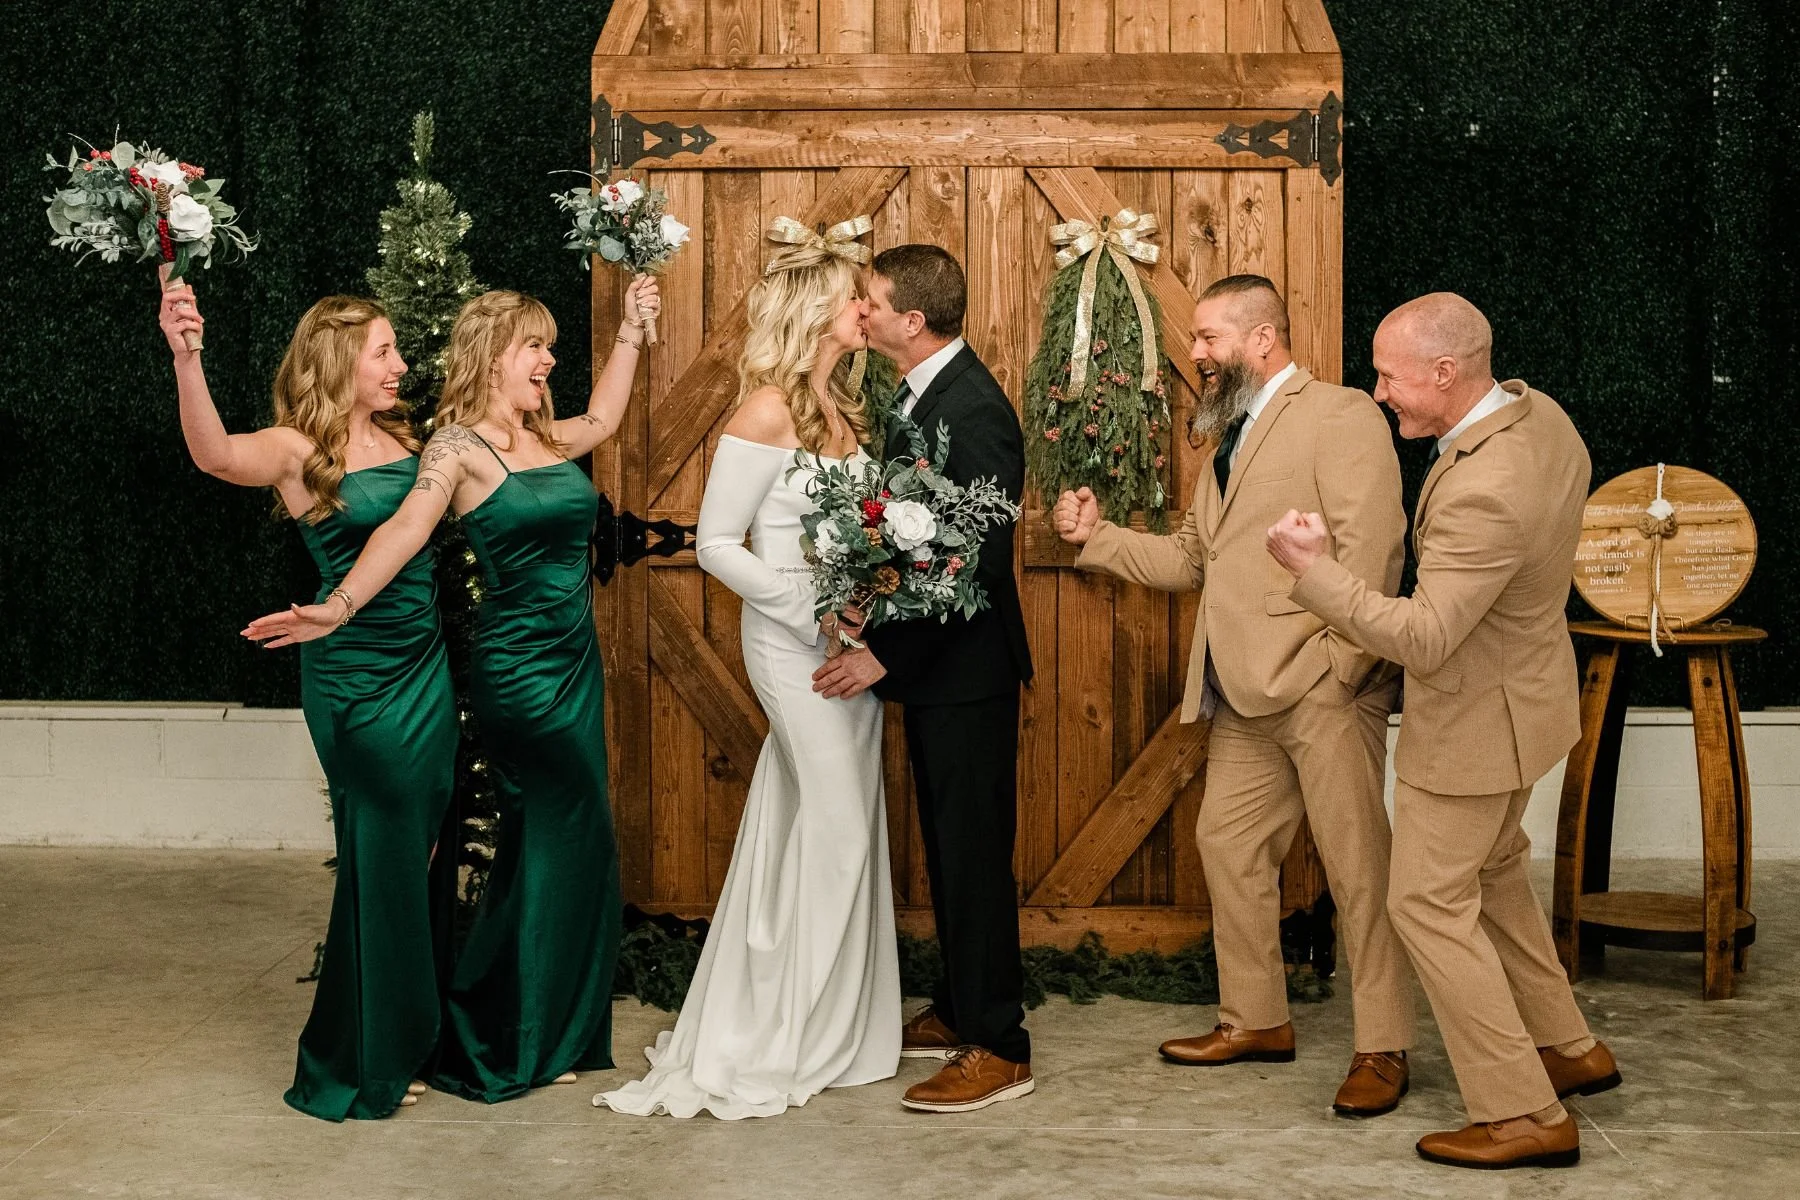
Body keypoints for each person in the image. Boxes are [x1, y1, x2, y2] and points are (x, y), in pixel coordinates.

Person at [244, 278, 659, 1103]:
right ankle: (503, 1031)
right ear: (492, 354)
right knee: (550, 839)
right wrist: (340, 605)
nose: (549, 359)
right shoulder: (453, 449)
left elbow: (606, 420)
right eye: (534, 346)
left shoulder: (545, 437)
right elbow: (404, 527)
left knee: (577, 844)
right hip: (522, 674)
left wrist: (632, 335)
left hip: (575, 667)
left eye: (549, 345)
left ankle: (543, 1029)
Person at [1266, 292, 1621, 1169]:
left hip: (1471, 730)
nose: (1379, 392)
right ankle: (1570, 1048)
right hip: (1530, 705)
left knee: (1424, 903)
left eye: (1389, 377)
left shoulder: (1487, 488)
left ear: (1445, 374)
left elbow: (1426, 635)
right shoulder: (1542, 420)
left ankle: (1521, 1113)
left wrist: (1316, 575)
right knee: (1496, 877)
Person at [1053, 274, 1418, 1117]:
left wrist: (1342, 666)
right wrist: (1094, 538)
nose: (1197, 354)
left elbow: (1375, 548)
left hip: (1324, 688)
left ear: (1263, 339)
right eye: (1195, 340)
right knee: (1227, 845)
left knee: (1360, 871)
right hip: (1241, 694)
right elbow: (1193, 560)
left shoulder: (1341, 415)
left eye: (1209, 337)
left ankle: (1384, 1045)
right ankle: (1255, 1020)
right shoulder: (1224, 436)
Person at [595, 231, 900, 1120]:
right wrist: (813, 609)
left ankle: (835, 1022)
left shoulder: (843, 411)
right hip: (789, 642)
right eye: (854, 296)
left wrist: (869, 600)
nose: (866, 309)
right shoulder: (763, 410)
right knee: (835, 825)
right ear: (815, 309)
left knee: (823, 822)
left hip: (850, 643)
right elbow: (718, 545)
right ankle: (786, 1029)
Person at [161, 285, 456, 1120]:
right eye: (384, 353)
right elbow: (215, 454)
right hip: (353, 676)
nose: (401, 366)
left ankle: (405, 1035)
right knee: (382, 848)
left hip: (423, 666)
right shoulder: (299, 450)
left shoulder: (405, 437)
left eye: (397, 351)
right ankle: (355, 1054)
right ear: (339, 361)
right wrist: (188, 356)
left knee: (420, 849)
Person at [813, 244, 1035, 1114]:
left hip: (966, 672)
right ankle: (958, 1006)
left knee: (974, 856)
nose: (858, 311)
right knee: (949, 848)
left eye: (868, 301)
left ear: (912, 320)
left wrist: (884, 655)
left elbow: (973, 562)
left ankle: (1001, 1047)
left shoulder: (974, 408)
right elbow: (913, 539)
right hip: (937, 670)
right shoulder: (918, 395)